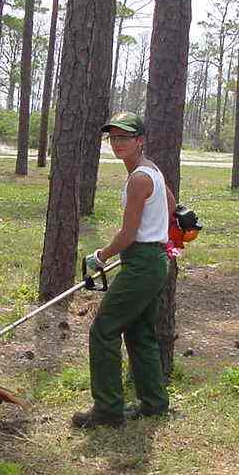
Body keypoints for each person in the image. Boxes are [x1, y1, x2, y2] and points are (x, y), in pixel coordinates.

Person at [72, 112, 176, 429]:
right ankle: (154, 403)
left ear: (139, 141)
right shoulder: (151, 170)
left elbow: (128, 234)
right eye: (113, 138)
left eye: (124, 138)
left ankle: (108, 409)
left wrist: (99, 256)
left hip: (144, 261)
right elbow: (171, 204)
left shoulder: (139, 178)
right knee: (139, 331)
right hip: (154, 259)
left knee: (103, 329)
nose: (118, 144)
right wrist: (159, 230)